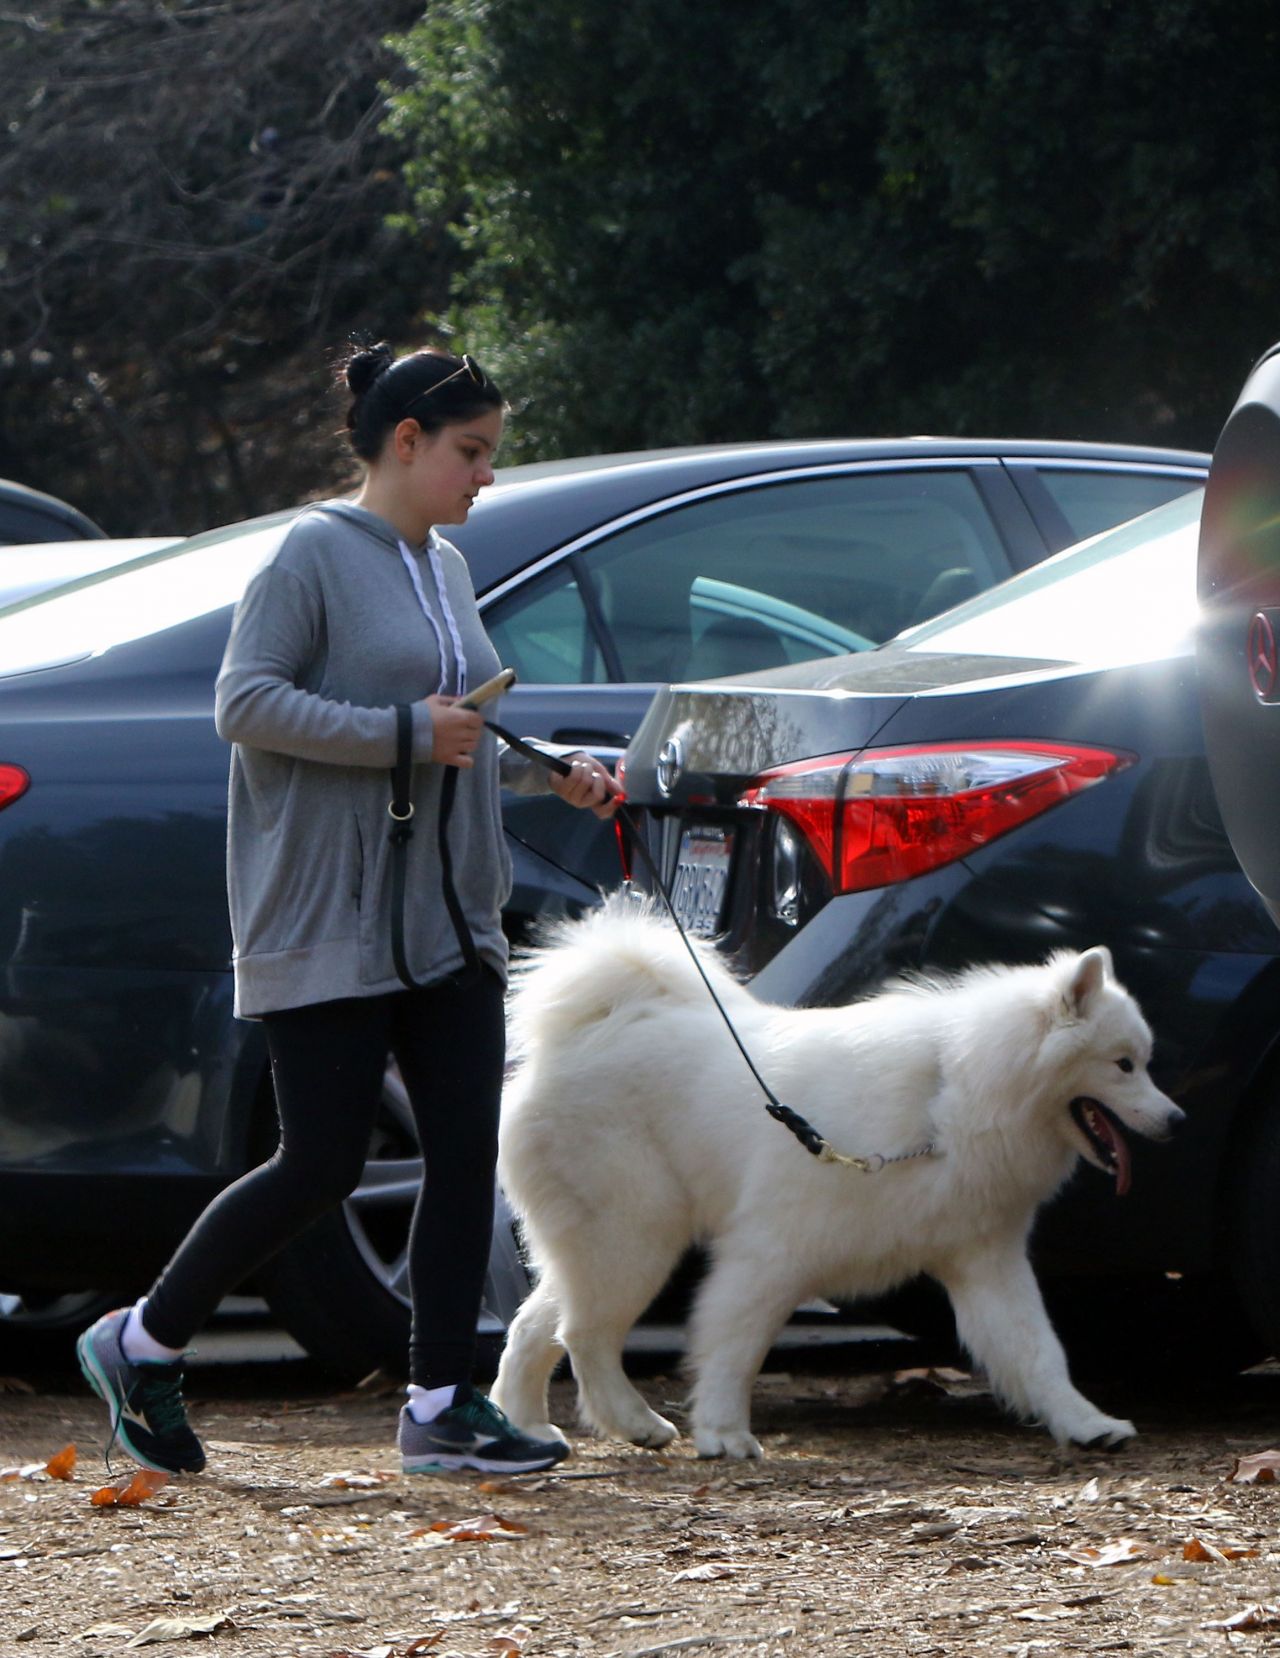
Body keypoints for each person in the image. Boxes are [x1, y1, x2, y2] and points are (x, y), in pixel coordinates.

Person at [77, 341, 620, 1478]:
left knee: (466, 1155)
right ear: (405, 441)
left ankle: (439, 1405)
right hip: (327, 914)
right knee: (318, 1161)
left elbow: (455, 720)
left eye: (492, 457)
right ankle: (139, 1339)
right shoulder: (309, 553)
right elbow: (245, 703)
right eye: (470, 453)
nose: (484, 478)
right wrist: (404, 734)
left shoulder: (448, 568)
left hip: (450, 918)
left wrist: (548, 766)